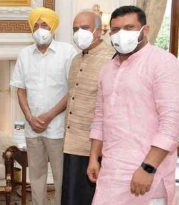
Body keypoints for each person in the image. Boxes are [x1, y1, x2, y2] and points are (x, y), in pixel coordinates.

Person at [87, 6, 179, 205]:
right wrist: (93, 157)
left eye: (129, 27)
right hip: (110, 172)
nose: (121, 34)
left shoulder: (164, 64)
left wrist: (148, 167)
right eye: (115, 30)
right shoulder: (108, 69)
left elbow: (173, 123)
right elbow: (100, 117)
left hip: (146, 174)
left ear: (145, 29)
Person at [10, 7, 76, 205]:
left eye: (44, 25)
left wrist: (48, 117)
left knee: (60, 177)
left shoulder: (67, 52)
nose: (40, 29)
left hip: (57, 128)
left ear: (53, 27)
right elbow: (20, 89)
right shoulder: (24, 54)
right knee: (36, 177)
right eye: (36, 25)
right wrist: (30, 118)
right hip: (33, 129)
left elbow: (72, 90)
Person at [62, 11, 115, 205]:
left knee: (89, 197)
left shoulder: (112, 59)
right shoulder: (76, 60)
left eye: (84, 28)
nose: (79, 33)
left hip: (94, 145)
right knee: (70, 195)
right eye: (75, 29)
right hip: (71, 142)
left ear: (99, 30)